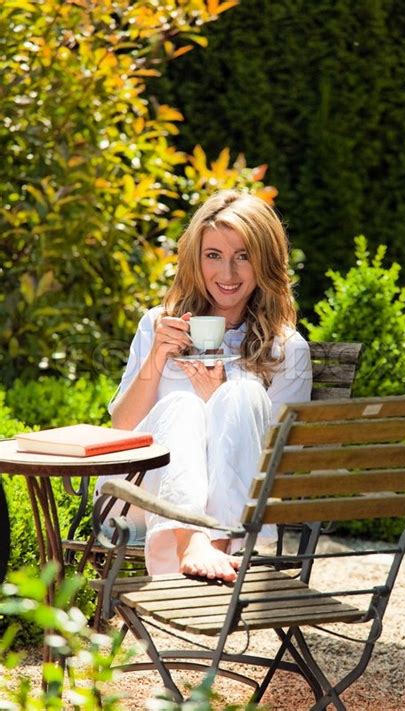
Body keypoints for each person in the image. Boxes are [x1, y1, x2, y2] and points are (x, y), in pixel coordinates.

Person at [95, 190, 312, 582]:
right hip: (137, 498)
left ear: (265, 260)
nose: (226, 274)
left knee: (242, 393)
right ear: (196, 258)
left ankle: (207, 546)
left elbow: (278, 464)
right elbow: (122, 431)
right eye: (213, 255)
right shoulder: (158, 324)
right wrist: (157, 357)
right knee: (182, 407)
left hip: (241, 507)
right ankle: (194, 542)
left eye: (242, 255)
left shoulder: (286, 349)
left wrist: (220, 399)